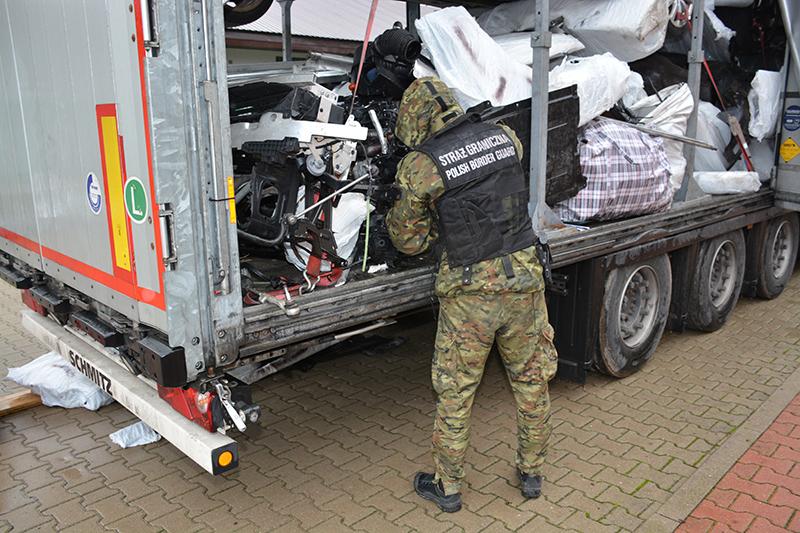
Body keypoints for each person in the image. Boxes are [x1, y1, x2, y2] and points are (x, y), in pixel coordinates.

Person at [386, 78, 558, 513]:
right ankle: (532, 473)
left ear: (414, 117)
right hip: (523, 277)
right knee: (532, 380)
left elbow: (408, 241)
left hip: (470, 291)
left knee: (456, 390)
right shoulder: (505, 137)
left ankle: (448, 487)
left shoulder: (422, 165)